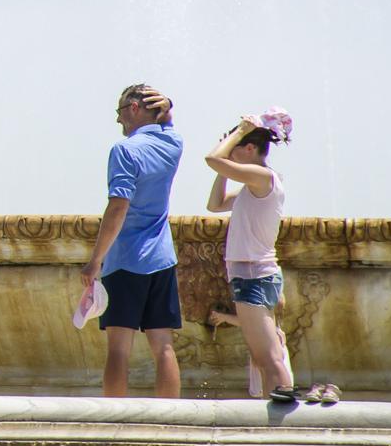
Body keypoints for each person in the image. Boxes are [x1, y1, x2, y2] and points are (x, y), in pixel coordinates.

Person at [80, 83, 185, 398]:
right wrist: (168, 108)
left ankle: (115, 420)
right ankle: (171, 419)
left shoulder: (125, 150)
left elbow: (118, 207)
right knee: (163, 345)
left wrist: (95, 259)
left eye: (121, 111)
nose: (118, 120)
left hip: (126, 259)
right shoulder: (173, 144)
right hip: (162, 258)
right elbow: (167, 126)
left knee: (119, 347)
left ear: (135, 109)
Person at [205, 109, 298, 402]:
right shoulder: (254, 185)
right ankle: (278, 408)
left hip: (254, 276)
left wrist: (238, 132)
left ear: (249, 148)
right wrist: (229, 152)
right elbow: (215, 204)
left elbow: (212, 159)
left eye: (236, 145)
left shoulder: (261, 176)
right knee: (265, 354)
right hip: (254, 275)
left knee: (268, 356)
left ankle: (286, 418)